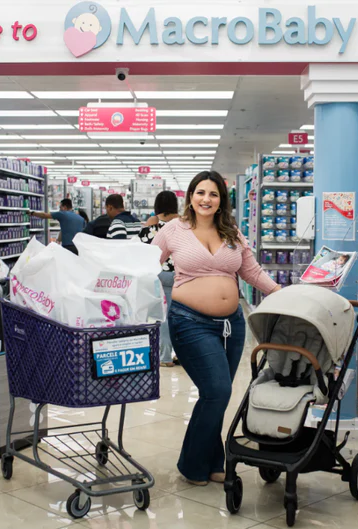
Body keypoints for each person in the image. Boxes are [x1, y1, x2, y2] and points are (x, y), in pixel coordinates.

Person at [152, 171, 281, 486]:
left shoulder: (231, 232)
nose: (206, 199)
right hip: (189, 322)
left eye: (213, 194)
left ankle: (213, 461)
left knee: (216, 395)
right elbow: (144, 264)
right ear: (190, 197)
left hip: (232, 325)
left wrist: (280, 292)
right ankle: (193, 464)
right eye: (200, 192)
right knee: (219, 390)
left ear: (222, 199)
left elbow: (251, 271)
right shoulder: (174, 229)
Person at [138, 190, 179, 367]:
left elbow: (143, 246)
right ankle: (181, 353)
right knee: (179, 315)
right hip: (180, 274)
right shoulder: (183, 222)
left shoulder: (153, 223)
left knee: (162, 316)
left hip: (158, 273)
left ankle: (165, 357)